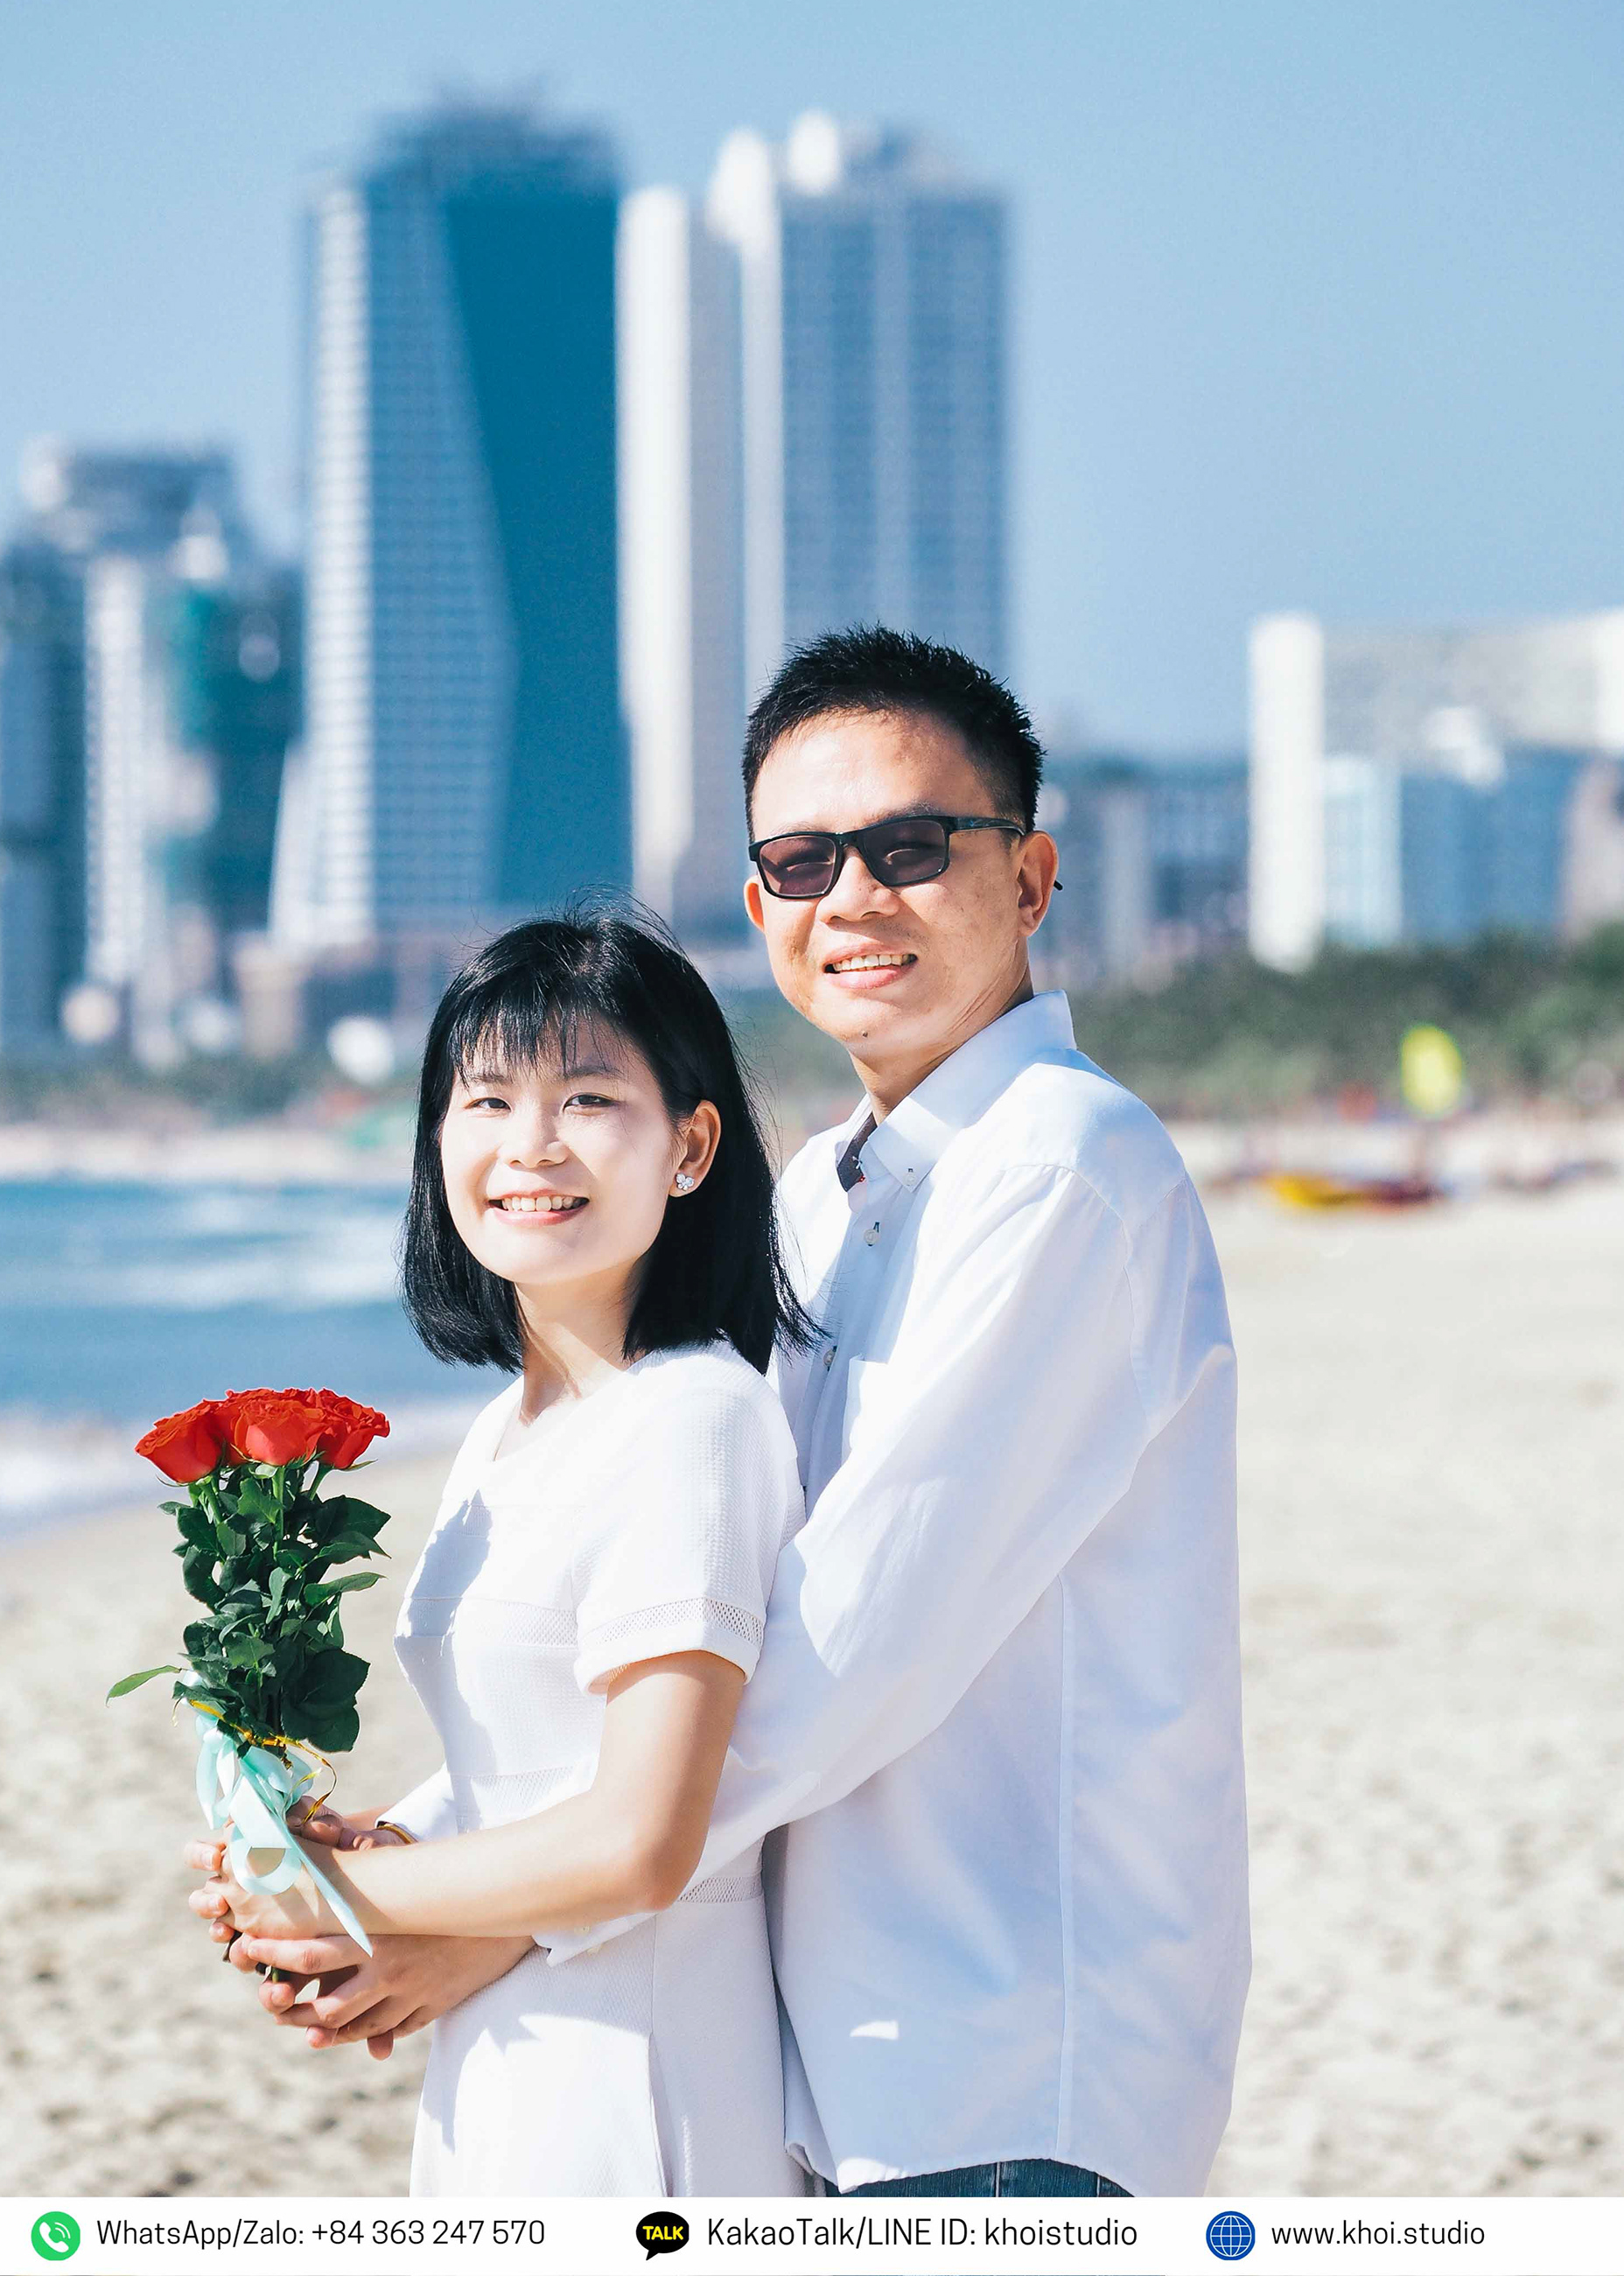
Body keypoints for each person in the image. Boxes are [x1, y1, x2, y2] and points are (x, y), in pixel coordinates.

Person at [204, 627, 1249, 2201]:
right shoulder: (827, 1196)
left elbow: (845, 1648)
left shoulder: (1060, 1168)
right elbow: (694, 1638)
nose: (855, 899)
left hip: (1005, 2058)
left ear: (1033, 878)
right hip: (822, 2058)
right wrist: (389, 1854)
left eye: (912, 847)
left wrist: (487, 1913)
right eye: (804, 861)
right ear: (759, 908)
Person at [192, 914, 812, 2196]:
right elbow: (527, 1759)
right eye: (486, 1101)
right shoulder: (506, 1432)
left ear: (691, 1147)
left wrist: (343, 1890)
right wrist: (343, 1853)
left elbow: (642, 1839)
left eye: (589, 1098)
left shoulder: (692, 1417)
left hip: (641, 2073)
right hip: (505, 2059)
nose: (530, 1145)